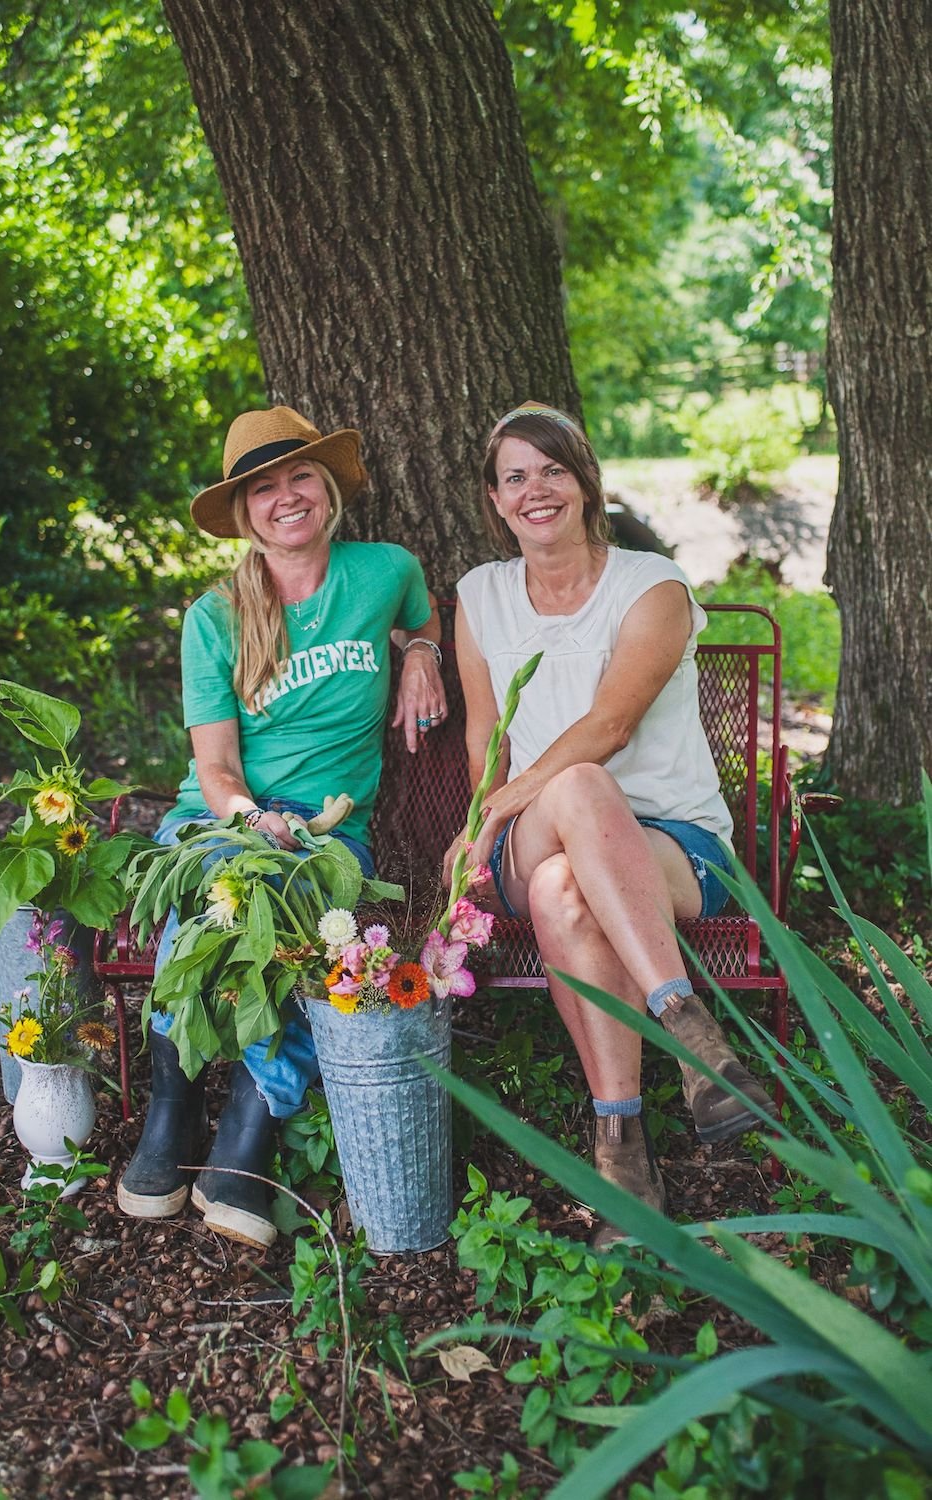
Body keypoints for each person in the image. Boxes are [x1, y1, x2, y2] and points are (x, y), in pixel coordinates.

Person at [445, 401, 774, 1245]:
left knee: (566, 878)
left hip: (673, 847)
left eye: (552, 469)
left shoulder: (653, 586)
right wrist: (486, 823)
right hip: (531, 834)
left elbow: (611, 724)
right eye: (515, 477)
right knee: (572, 812)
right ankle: (688, 1029)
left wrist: (508, 803)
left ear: (584, 481)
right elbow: (487, 740)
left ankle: (620, 1143)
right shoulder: (480, 597)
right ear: (495, 500)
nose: (536, 490)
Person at [118, 406, 447, 1247]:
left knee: (306, 917)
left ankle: (249, 1132)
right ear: (243, 513)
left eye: (301, 476)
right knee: (204, 899)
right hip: (220, 814)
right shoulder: (215, 617)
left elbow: (423, 615)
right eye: (263, 488)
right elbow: (217, 769)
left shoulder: (384, 573)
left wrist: (419, 654)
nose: (286, 497)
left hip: (332, 830)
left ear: (328, 488)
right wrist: (254, 821)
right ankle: (172, 1107)